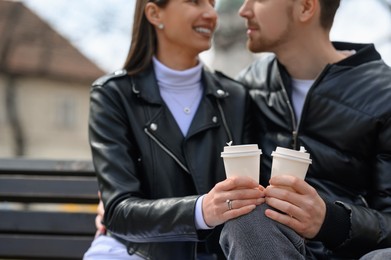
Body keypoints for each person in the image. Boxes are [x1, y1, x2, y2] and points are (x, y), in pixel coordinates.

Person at [83, 0, 265, 259]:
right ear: (154, 13)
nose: (210, 13)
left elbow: (252, 194)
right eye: (194, 1)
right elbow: (118, 212)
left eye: (212, 3)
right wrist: (202, 209)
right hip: (133, 252)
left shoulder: (235, 98)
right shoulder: (112, 95)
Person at [219, 0, 391, 259]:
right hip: (272, 248)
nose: (244, 10)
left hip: (356, 254)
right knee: (246, 221)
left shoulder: (384, 95)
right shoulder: (246, 87)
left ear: (305, 7)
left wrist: (330, 220)